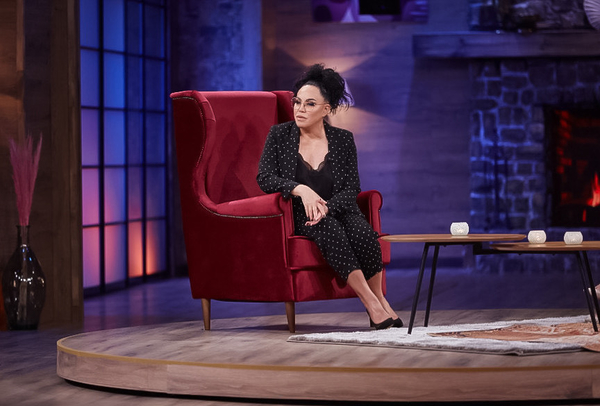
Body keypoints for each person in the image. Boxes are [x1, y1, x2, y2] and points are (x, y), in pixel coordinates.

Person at [257, 64, 402, 329]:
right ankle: (371, 303)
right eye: (297, 102)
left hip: (339, 209)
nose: (300, 109)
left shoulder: (343, 139)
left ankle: (381, 300)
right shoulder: (279, 135)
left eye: (310, 104)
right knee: (329, 228)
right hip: (303, 215)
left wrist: (327, 207)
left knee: (363, 233)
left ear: (326, 109)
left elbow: (352, 188)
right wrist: (301, 190)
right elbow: (264, 178)